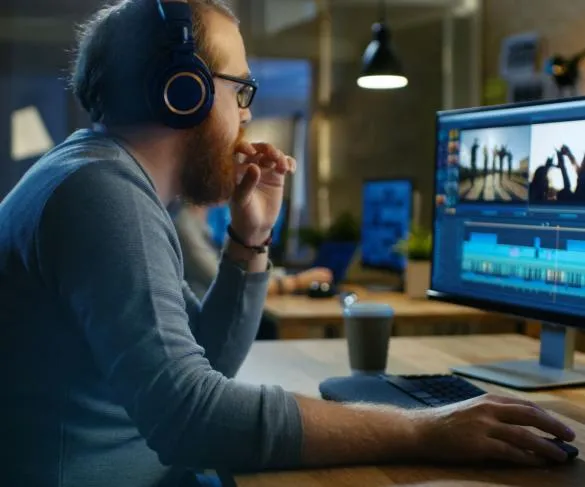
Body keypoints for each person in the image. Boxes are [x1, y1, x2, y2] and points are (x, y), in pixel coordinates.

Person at [1, 1, 575, 486]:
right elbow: (192, 417)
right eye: (241, 90)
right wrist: (427, 428)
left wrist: (248, 242)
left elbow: (202, 366)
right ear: (183, 92)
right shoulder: (103, 196)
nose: (247, 115)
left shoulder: (100, 178)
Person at [173, 201, 333, 300]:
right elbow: (226, 283)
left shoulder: (200, 222)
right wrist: (297, 282)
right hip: (204, 325)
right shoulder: (185, 225)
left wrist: (286, 276)